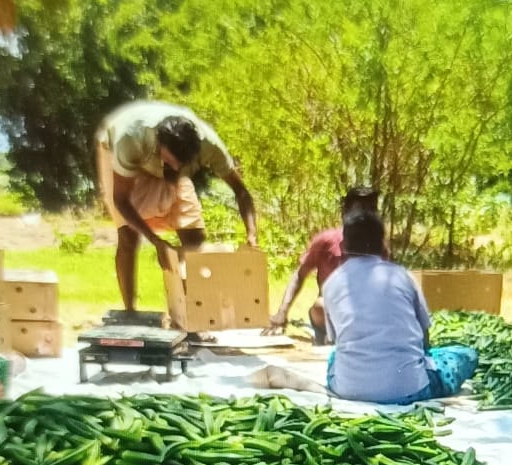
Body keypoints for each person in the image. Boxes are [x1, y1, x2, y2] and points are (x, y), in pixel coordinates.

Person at [96, 100, 258, 314]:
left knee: (195, 239)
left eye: (183, 162)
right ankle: (130, 313)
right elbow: (121, 201)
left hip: (165, 166)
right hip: (122, 155)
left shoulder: (209, 146)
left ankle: (191, 313)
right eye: (172, 161)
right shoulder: (130, 139)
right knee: (128, 234)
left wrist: (252, 234)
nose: (177, 167)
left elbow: (242, 192)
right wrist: (155, 240)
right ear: (159, 145)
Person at [323, 210, 477, 405]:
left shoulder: (332, 284)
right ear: (383, 244)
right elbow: (424, 339)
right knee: (465, 355)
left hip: (348, 390)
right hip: (410, 390)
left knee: (334, 358)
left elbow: (337, 340)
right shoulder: (400, 276)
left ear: (343, 246)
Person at [264, 186, 380, 343]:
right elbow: (299, 275)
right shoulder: (326, 241)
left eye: (372, 210)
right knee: (321, 305)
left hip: (365, 317)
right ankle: (328, 338)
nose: (366, 218)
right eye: (360, 211)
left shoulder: (379, 249)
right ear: (345, 213)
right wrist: (282, 312)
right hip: (329, 312)